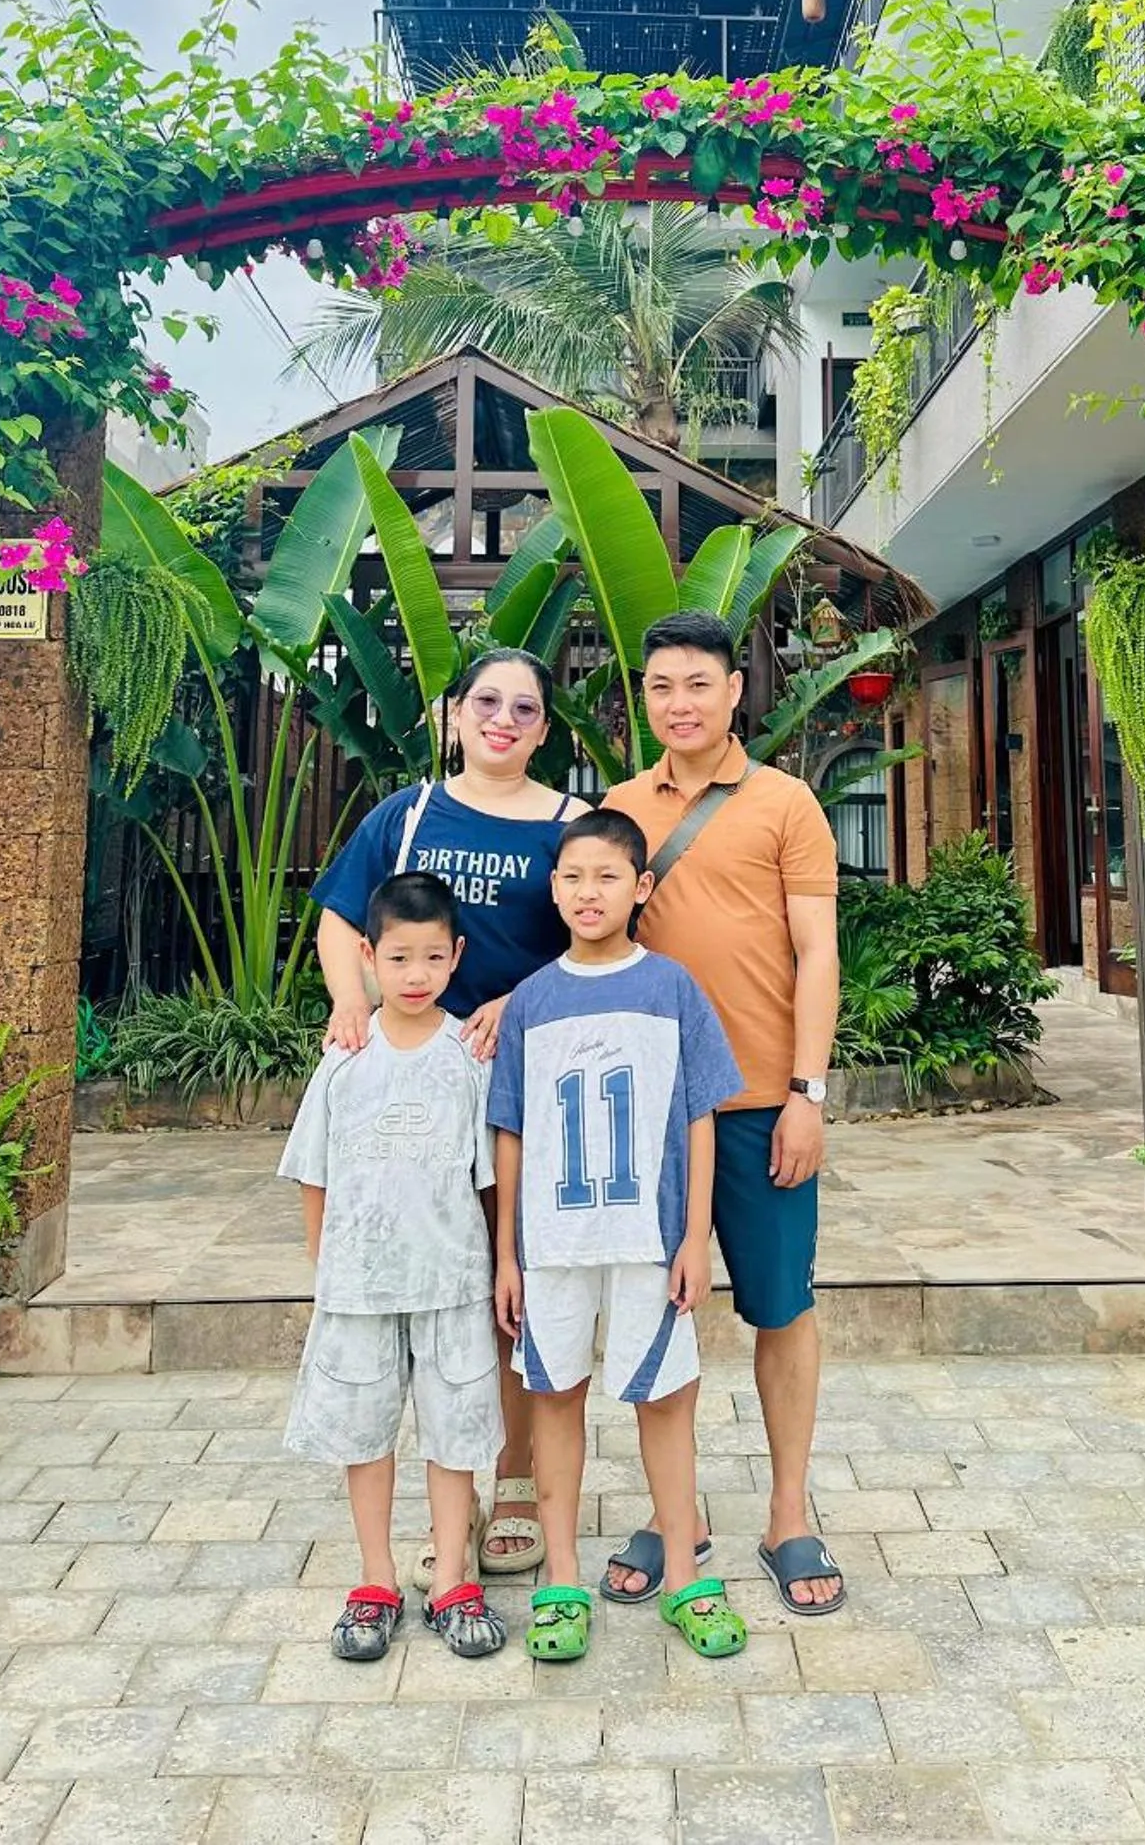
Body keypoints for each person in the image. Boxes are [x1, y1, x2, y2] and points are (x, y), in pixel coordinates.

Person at [311, 646, 577, 1581]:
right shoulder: (408, 813)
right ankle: (438, 1516)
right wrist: (352, 1002)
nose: (505, 719)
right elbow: (342, 920)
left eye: (526, 708)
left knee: (514, 1292)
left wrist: (526, 998)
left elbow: (603, 932)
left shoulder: (568, 824)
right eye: (488, 702)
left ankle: (510, 1483)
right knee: (449, 1284)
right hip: (418, 1085)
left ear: (545, 728)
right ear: (455, 713)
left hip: (526, 1086)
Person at [604, 607, 847, 1616]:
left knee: (782, 1308)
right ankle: (676, 1513)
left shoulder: (786, 803)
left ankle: (790, 1512)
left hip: (759, 1105)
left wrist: (807, 1092)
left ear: (735, 692)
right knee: (664, 1312)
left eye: (698, 683)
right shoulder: (619, 808)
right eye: (662, 687)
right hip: (651, 1115)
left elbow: (819, 952)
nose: (680, 703)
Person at [489, 810, 749, 1665]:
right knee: (555, 1400)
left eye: (606, 877)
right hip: (553, 1247)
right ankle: (561, 1581)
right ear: (554, 888)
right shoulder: (531, 1001)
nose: (587, 892)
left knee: (665, 1405)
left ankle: (686, 1578)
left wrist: (694, 1237)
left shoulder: (671, 988)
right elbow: (512, 1134)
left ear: (640, 888)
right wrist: (507, 1255)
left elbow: (701, 1118)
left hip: (649, 1239)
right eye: (572, 877)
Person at [278, 870, 507, 1665]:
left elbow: (489, 1181)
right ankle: (375, 1579)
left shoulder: (470, 1058)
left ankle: (451, 1578)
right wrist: (325, 1264)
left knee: (453, 1436)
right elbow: (315, 1172)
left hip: (450, 1282)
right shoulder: (345, 1057)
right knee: (364, 1432)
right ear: (368, 955)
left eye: (432, 959)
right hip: (361, 1287)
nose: (415, 976)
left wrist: (497, 1266)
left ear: (456, 959)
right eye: (399, 958)